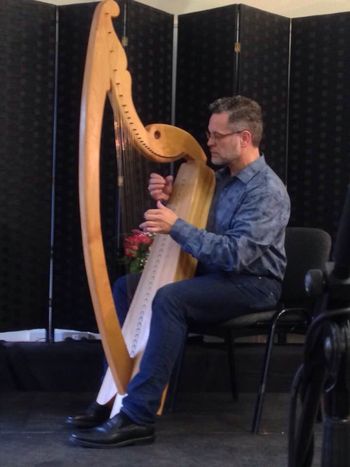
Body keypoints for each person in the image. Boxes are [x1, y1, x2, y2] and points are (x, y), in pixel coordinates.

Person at [68, 95, 291, 448]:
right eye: (209, 134)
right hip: (215, 276)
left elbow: (238, 255)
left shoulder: (267, 192)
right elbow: (200, 219)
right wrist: (173, 197)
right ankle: (116, 396)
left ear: (245, 138)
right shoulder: (219, 180)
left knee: (170, 298)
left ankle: (138, 418)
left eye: (217, 136)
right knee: (128, 286)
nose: (209, 142)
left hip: (253, 284)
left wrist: (177, 226)